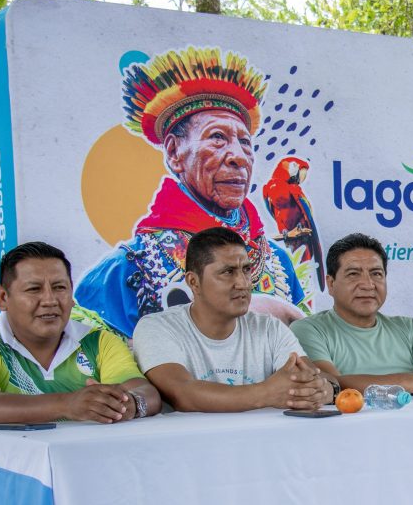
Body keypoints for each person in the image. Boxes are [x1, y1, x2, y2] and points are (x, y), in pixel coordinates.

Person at [76, 47, 304, 338]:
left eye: (245, 143)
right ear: (173, 151)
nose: (238, 156)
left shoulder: (277, 263)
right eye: (217, 138)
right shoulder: (126, 269)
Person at [0, 242, 161, 428]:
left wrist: (130, 404)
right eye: (34, 289)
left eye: (59, 287)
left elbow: (146, 393)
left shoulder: (98, 341)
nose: (50, 300)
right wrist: (68, 405)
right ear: (3, 297)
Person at [132, 228, 334, 412]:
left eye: (246, 270)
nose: (242, 283)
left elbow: (309, 377)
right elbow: (183, 394)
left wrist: (318, 390)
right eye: (227, 272)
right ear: (193, 282)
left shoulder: (269, 327)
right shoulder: (158, 327)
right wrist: (266, 393)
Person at [291, 233, 413, 397]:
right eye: (353, 274)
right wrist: (411, 383)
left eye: (376, 274)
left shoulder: (407, 328)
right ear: (331, 284)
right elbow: (330, 384)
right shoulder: (308, 329)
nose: (368, 284)